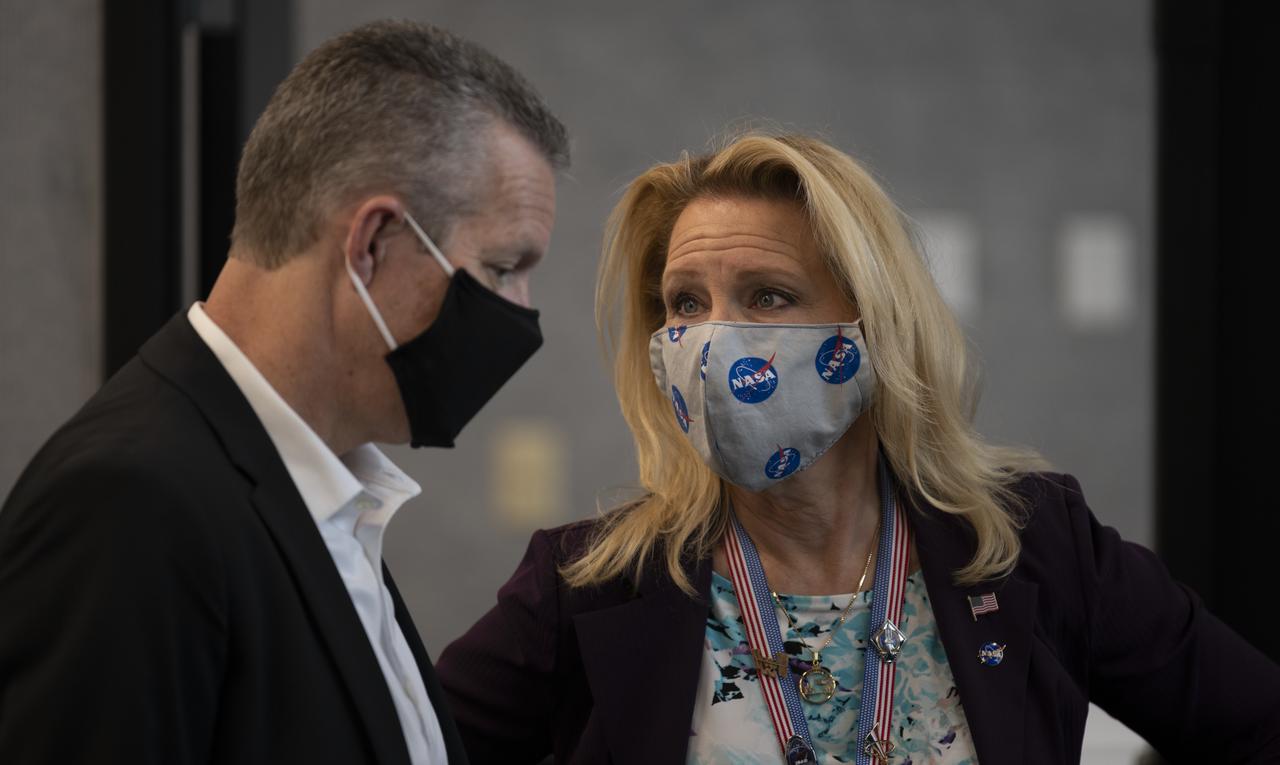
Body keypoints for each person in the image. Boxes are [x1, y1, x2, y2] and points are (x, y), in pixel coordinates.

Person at [435, 132, 1280, 764]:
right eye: (685, 302)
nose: (713, 338)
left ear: (874, 326)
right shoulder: (590, 583)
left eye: (767, 295)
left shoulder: (1032, 543)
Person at [0, 19, 567, 764]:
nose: (521, 311)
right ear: (371, 243)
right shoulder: (132, 501)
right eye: (502, 267)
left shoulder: (320, 496)